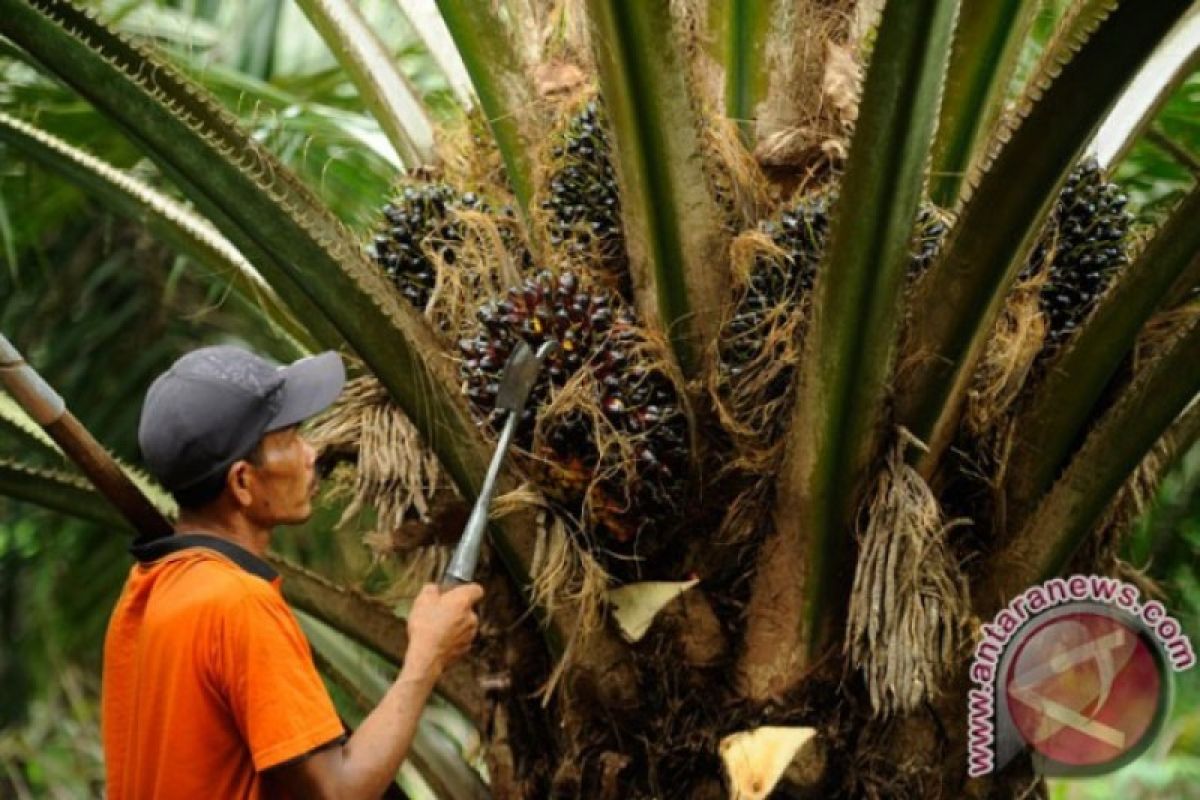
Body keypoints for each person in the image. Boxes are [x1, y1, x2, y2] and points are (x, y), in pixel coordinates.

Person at [102, 344, 483, 799]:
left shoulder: (146, 592)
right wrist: (426, 658)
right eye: (289, 438)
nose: (311, 452)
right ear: (242, 482)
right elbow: (336, 791)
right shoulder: (238, 604)